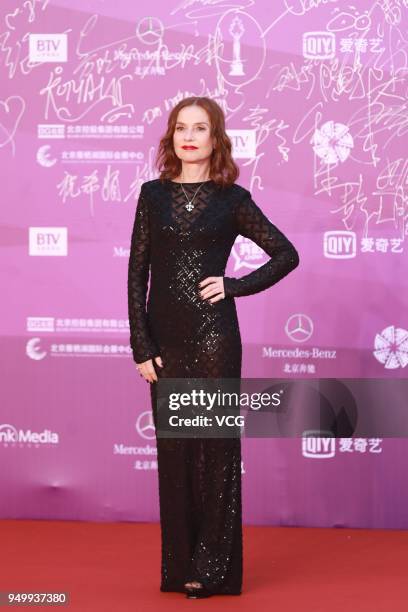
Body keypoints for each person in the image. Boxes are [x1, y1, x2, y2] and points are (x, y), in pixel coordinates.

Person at [127, 96, 299, 599]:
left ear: (215, 138)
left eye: (200, 128)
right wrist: (141, 343)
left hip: (215, 338)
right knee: (175, 452)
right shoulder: (152, 196)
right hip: (165, 341)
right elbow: (137, 274)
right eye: (181, 127)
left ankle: (214, 569)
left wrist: (234, 284)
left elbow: (286, 254)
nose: (189, 136)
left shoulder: (231, 199)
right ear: (171, 136)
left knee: (216, 453)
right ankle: (179, 567)